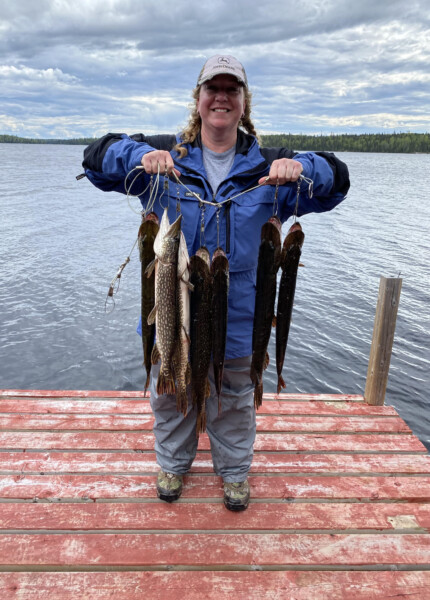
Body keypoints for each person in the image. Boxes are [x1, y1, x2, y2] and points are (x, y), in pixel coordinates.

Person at [82, 54, 350, 511]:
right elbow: (95, 158)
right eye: (213, 89)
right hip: (173, 309)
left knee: (235, 401)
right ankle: (173, 463)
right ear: (199, 99)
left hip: (242, 318)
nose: (221, 98)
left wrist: (303, 167)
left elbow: (338, 180)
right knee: (170, 395)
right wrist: (139, 156)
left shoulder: (270, 168)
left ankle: (235, 475)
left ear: (243, 103)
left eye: (232, 90)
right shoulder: (167, 158)